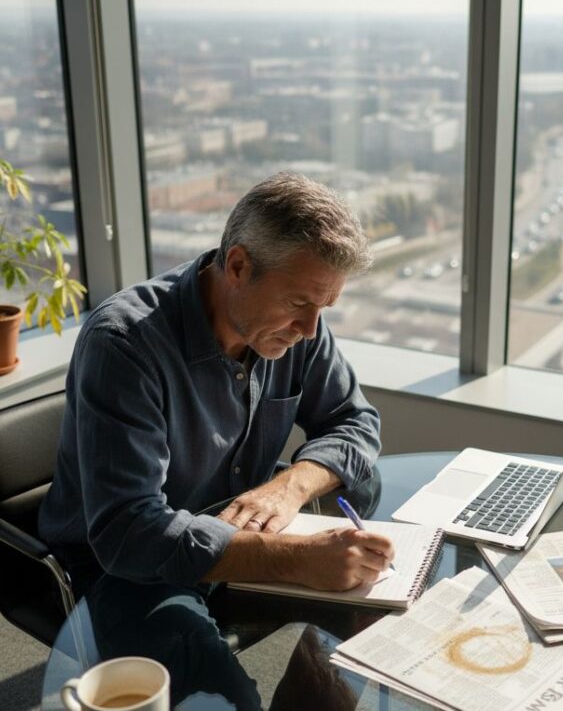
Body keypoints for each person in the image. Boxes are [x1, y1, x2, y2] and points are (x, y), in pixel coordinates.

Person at [39, 172, 394, 604]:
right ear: (239, 267)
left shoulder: (300, 324)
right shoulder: (124, 344)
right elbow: (129, 533)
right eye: (299, 303)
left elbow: (355, 420)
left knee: (361, 481)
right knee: (211, 667)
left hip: (232, 515)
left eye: (324, 307)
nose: (310, 328)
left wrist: (289, 488)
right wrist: (295, 558)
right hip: (129, 565)